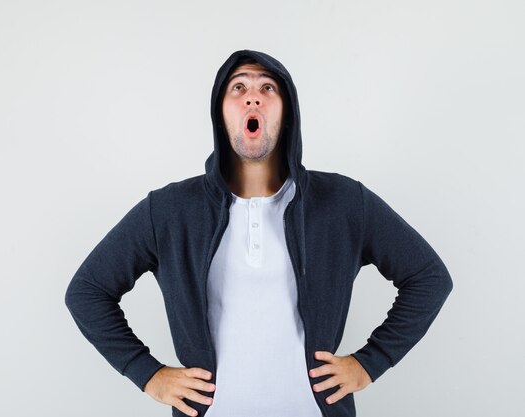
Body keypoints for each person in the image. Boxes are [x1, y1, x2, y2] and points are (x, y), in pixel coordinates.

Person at [64, 49, 453, 417]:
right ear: (221, 113)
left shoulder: (343, 202)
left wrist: (370, 363)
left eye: (267, 88)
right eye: (239, 88)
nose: (253, 98)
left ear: (287, 113)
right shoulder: (169, 210)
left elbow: (429, 278)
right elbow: (87, 292)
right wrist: (146, 373)